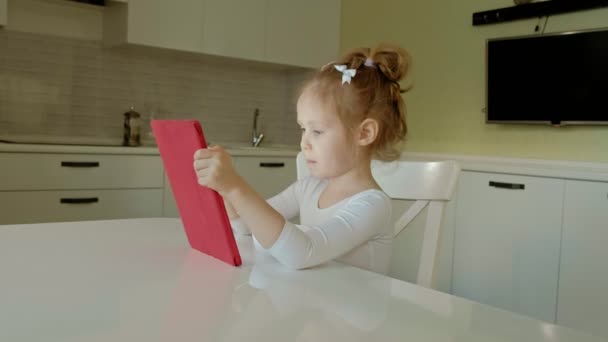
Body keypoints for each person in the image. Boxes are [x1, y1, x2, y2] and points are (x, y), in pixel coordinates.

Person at [193, 43, 411, 274]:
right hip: (316, 304)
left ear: (364, 133)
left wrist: (236, 187)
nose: (304, 142)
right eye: (302, 129)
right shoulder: (309, 188)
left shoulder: (372, 206)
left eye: (316, 131)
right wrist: (225, 189)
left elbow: (302, 252)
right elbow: (247, 227)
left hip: (356, 309)